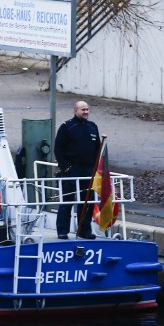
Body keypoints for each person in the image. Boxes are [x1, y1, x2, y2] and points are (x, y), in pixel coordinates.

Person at [53, 100, 101, 239]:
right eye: (83, 110)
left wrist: (96, 168)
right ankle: (62, 230)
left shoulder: (93, 127)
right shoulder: (67, 127)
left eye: (87, 109)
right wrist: (66, 168)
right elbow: (58, 149)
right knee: (67, 201)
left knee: (87, 203)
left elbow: (97, 148)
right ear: (75, 111)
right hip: (72, 170)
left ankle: (84, 230)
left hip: (88, 171)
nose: (86, 112)